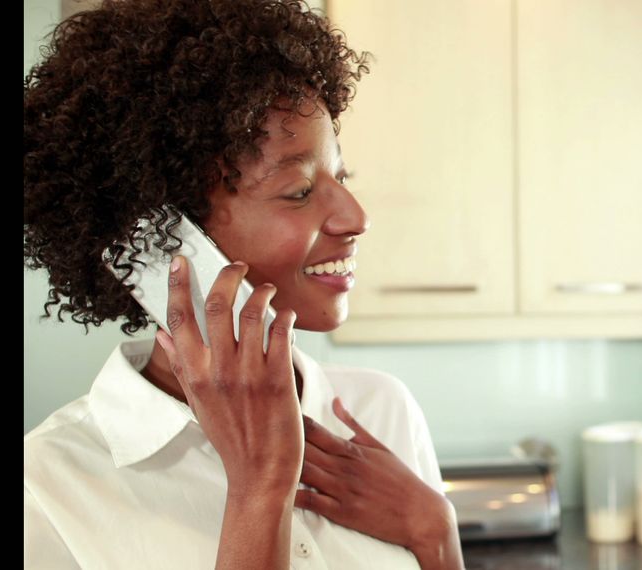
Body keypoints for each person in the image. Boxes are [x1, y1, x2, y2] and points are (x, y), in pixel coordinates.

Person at [23, 1, 464, 568]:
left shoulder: (378, 410)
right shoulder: (47, 491)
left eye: (342, 177)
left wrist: (436, 532)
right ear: (159, 242)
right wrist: (261, 490)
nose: (356, 217)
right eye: (300, 191)